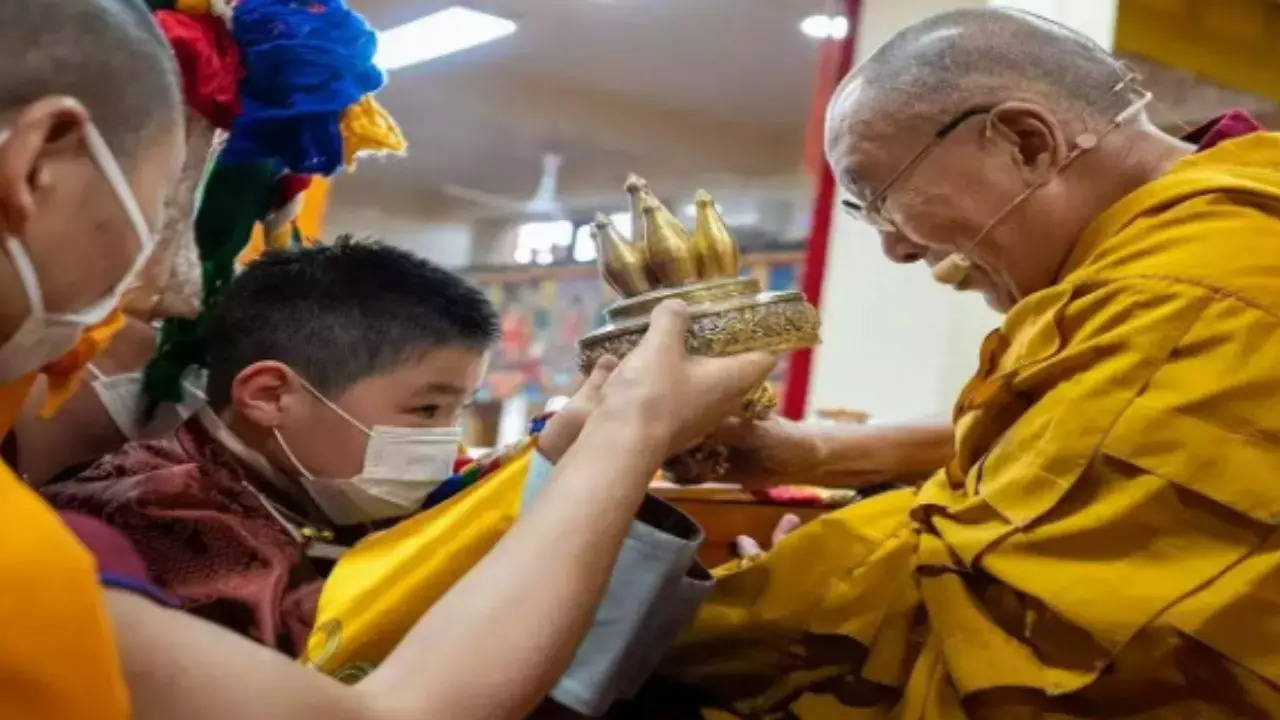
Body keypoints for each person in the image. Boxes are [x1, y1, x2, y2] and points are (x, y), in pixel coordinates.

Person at [0, 2, 775, 719]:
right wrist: (632, 430)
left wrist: (569, 443)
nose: (160, 282)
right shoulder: (128, 533)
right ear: (37, 165)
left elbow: (421, 544)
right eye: (157, 212)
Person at [649, 7, 1280, 719]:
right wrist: (814, 452)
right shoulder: (1197, 236)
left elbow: (1028, 619)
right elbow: (1061, 438)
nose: (898, 248)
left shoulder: (1194, 287)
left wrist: (756, 598)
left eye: (883, 200)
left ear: (1026, 142)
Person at [46, 240, 716, 718]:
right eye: (426, 409)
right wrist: (627, 434)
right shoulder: (154, 518)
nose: (443, 439)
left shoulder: (318, 484)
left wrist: (563, 453)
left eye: (457, 409)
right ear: (271, 394)